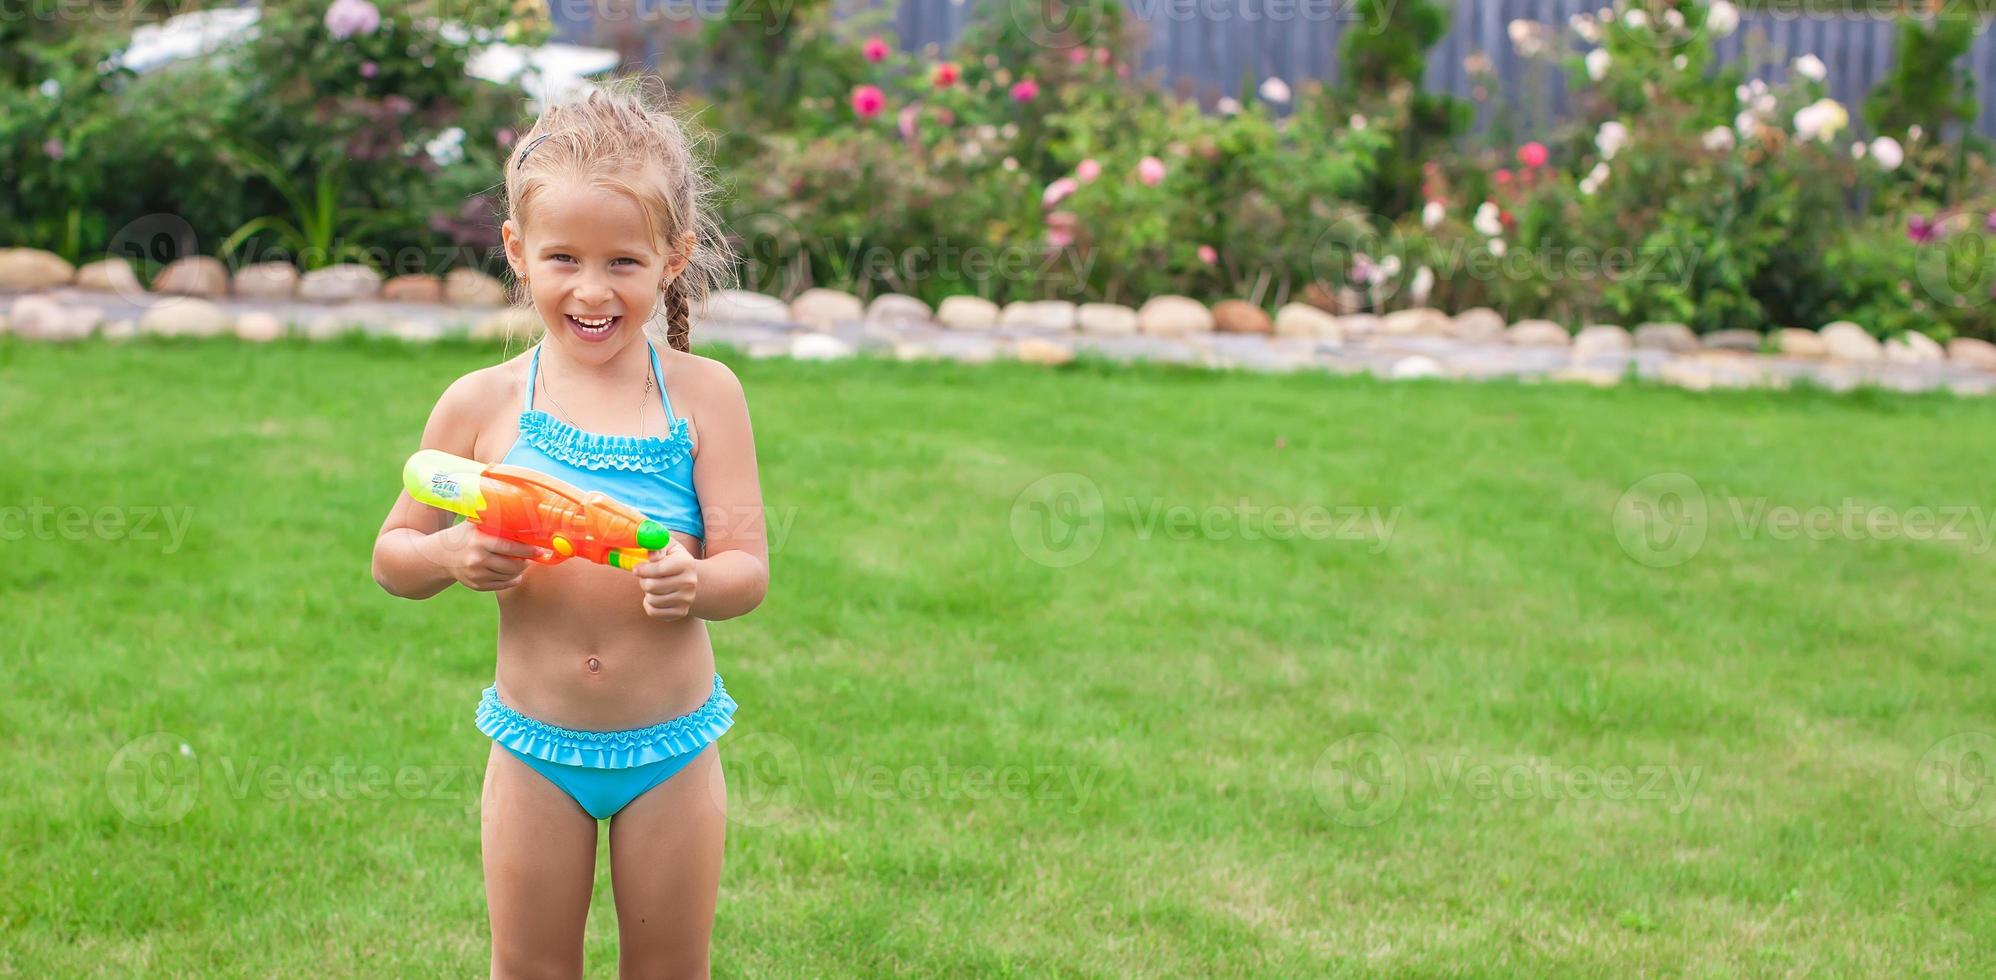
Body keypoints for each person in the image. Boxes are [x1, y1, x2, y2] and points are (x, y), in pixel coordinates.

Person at [371, 83, 768, 978]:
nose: (592, 290)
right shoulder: (483, 403)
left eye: (623, 262)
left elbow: (748, 568)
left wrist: (695, 582)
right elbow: (393, 558)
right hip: (534, 748)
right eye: (563, 259)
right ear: (517, 251)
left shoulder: (706, 397)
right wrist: (449, 552)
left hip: (669, 749)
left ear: (674, 258)